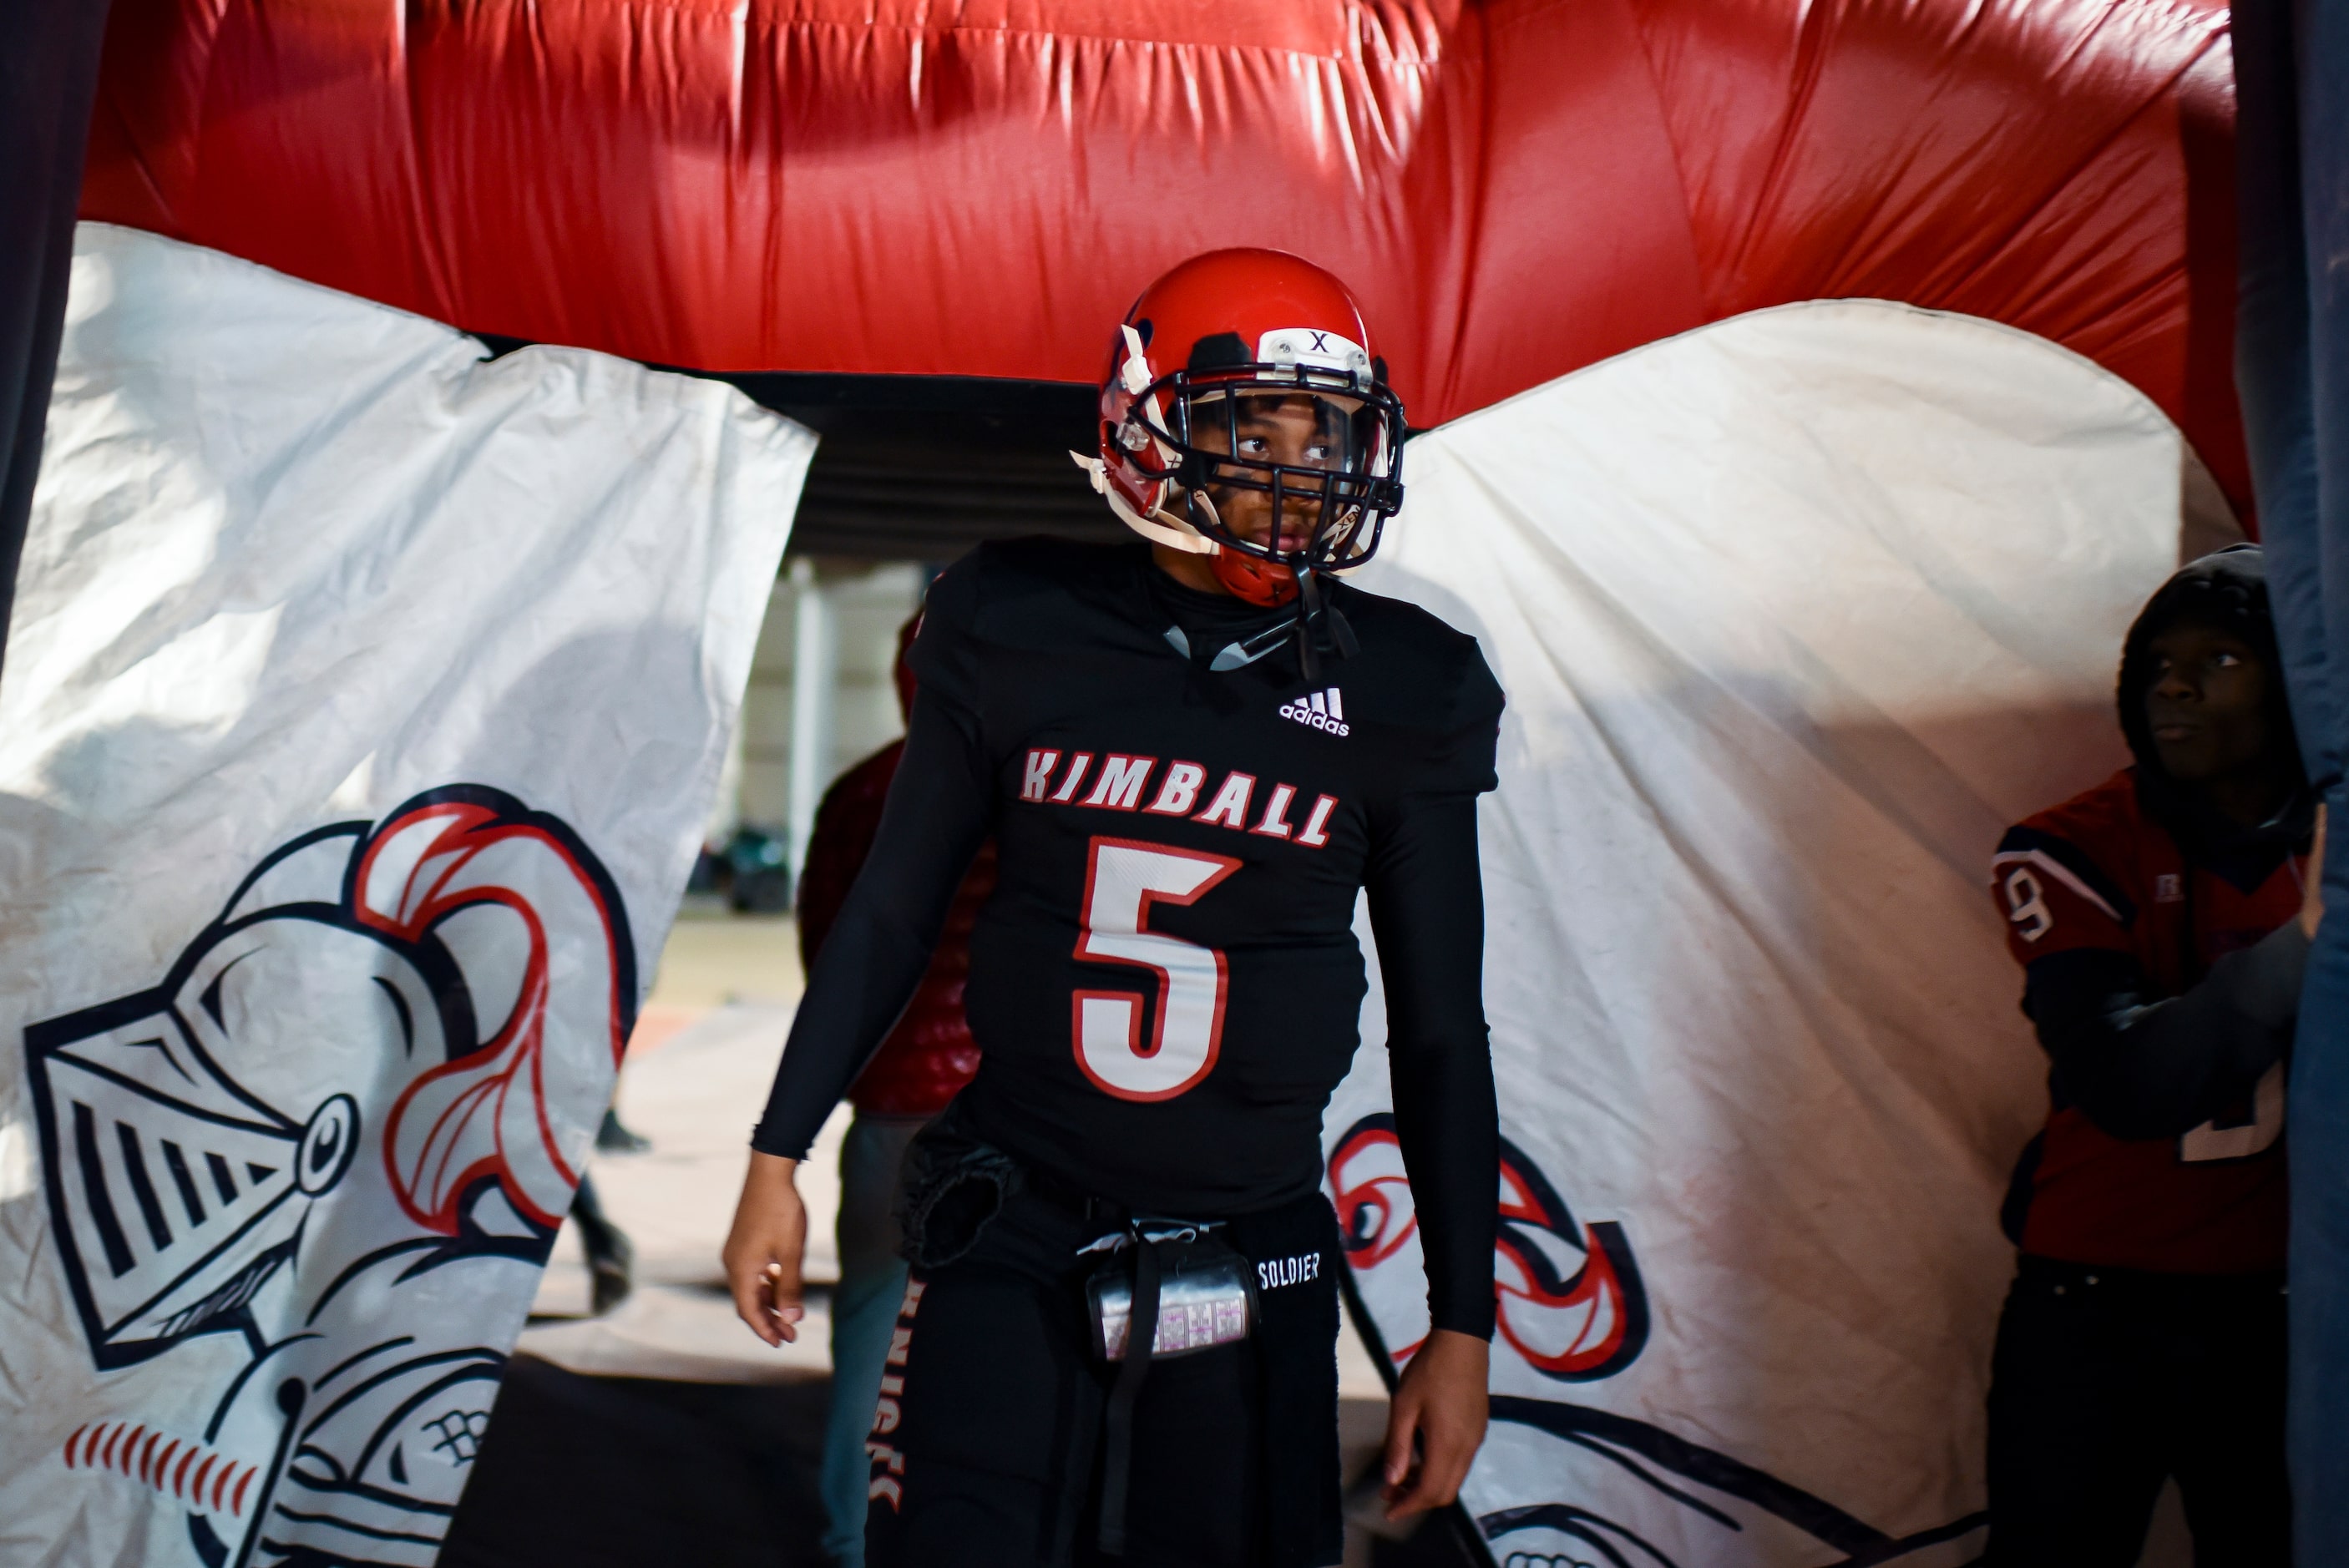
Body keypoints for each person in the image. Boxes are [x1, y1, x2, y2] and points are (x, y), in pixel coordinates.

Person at [722, 249, 1502, 1568]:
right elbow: (893, 914)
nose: (1297, 468)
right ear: (1147, 424)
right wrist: (775, 1152)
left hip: (1251, 1250)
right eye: (1254, 424)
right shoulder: (1018, 618)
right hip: (1013, 1219)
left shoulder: (1408, 684)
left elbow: (1441, 1033)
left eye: (1324, 430)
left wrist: (1462, 1320)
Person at [1983, 544, 2317, 1566]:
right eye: (2154, 662)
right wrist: (2306, 939)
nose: (2170, 685)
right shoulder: (2068, 843)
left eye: (2220, 660)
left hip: (2282, 1311)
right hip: (2093, 1303)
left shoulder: (2324, 829)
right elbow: (2127, 1083)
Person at [796, 612, 998, 1568]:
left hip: (884, 1111)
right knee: (1004, 1346)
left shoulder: (852, 793)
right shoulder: (1021, 791)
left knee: (870, 1340)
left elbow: (822, 956)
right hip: (997, 1118)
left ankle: (846, 1540)